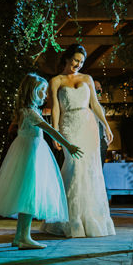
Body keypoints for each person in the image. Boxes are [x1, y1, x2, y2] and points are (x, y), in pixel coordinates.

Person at [0, 73, 83, 249]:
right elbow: (50, 130)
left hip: (28, 150)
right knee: (29, 194)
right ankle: (24, 237)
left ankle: (20, 236)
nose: (45, 95)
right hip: (31, 154)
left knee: (26, 195)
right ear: (32, 92)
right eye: (42, 91)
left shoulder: (27, 110)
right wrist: (69, 145)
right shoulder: (29, 112)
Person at [43, 45, 116, 238]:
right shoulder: (56, 81)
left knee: (91, 170)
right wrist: (55, 132)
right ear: (67, 59)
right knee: (73, 167)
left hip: (88, 124)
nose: (78, 64)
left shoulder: (87, 79)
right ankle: (69, 219)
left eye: (81, 62)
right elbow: (56, 108)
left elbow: (95, 104)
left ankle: (92, 218)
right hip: (69, 126)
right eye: (75, 60)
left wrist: (106, 126)